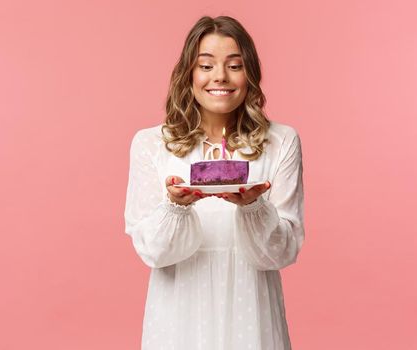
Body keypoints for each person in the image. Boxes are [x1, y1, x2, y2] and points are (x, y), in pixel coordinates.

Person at [124, 15, 305, 350]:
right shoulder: (151, 144)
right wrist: (175, 207)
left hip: (252, 312)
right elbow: (153, 252)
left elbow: (281, 252)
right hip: (178, 316)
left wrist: (253, 206)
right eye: (206, 66)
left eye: (234, 65)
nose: (220, 76)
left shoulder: (280, 141)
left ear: (250, 72)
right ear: (189, 73)